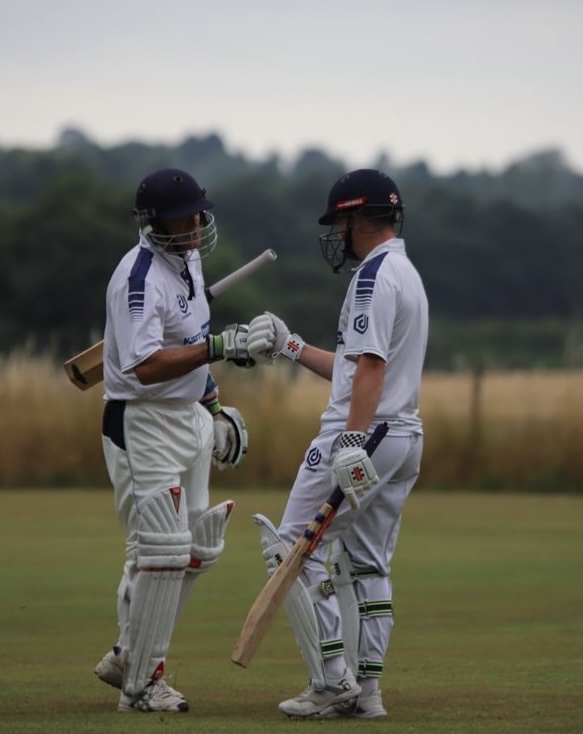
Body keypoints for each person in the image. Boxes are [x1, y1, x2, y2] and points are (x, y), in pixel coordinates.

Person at [245, 168, 428, 719]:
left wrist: (350, 440)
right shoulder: (406, 272)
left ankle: (330, 681)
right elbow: (354, 367)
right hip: (402, 438)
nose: (337, 234)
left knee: (293, 548)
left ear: (357, 218)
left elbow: (370, 367)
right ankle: (367, 693)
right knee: (369, 564)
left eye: (340, 223)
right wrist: (291, 345)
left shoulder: (372, 278)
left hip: (364, 434)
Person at [92, 167, 254, 713]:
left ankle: (129, 655)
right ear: (154, 222)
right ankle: (142, 681)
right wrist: (219, 348)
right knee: (159, 550)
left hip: (188, 415)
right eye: (183, 219)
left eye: (198, 215)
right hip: (144, 419)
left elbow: (191, 341)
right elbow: (144, 366)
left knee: (197, 548)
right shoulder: (137, 278)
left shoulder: (188, 260)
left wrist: (214, 405)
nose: (195, 225)